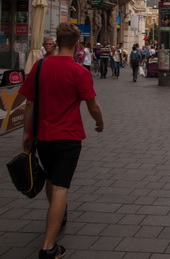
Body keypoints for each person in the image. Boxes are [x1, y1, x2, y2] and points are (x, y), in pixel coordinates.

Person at [19, 22, 104, 259]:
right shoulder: (79, 71)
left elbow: (29, 103)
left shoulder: (40, 65)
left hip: (42, 136)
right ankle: (48, 247)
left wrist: (27, 134)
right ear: (77, 44)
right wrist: (100, 123)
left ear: (56, 41)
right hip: (68, 136)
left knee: (50, 176)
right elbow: (92, 105)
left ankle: (59, 213)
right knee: (61, 186)